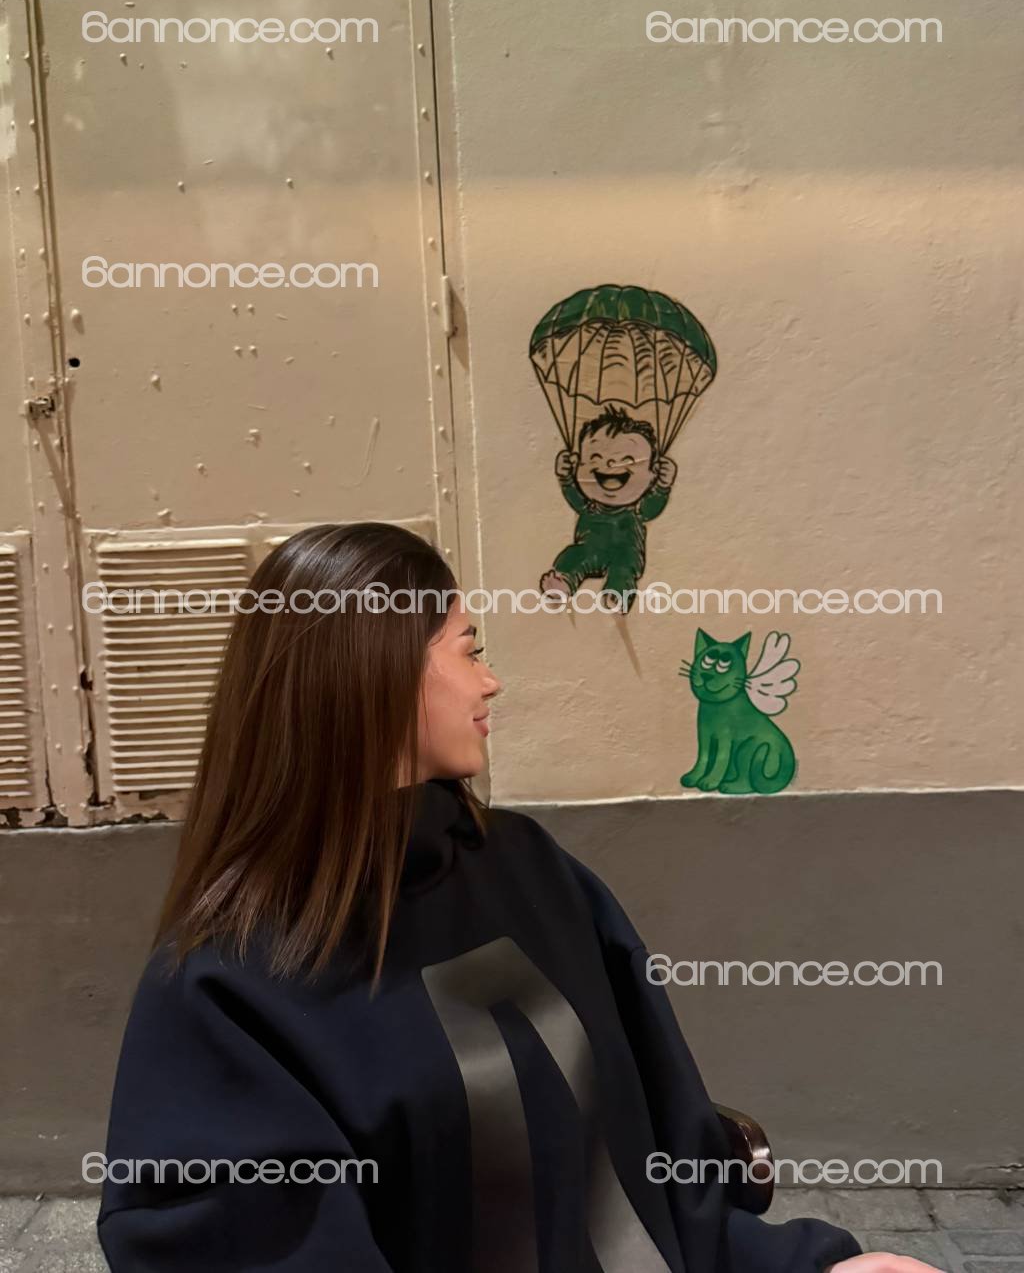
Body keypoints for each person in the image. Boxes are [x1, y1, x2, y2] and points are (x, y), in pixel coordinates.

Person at [96, 522, 941, 1273]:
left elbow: (649, 1153)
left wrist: (808, 1266)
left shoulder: (527, 868)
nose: (491, 682)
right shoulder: (224, 985)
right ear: (376, 671)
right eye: (469, 650)